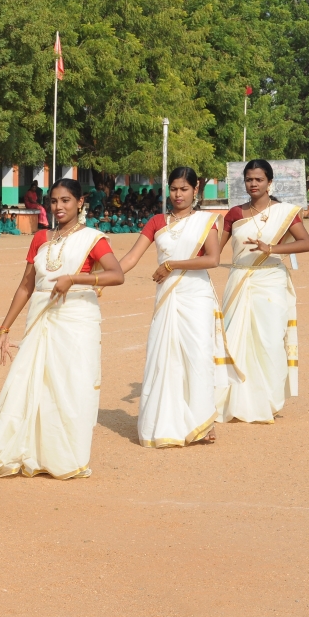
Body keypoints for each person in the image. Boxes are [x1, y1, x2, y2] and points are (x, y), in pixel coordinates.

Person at [0, 178, 125, 479]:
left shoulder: (92, 239)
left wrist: (75, 279)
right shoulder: (41, 238)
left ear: (80, 202)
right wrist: (5, 326)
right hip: (41, 317)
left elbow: (116, 274)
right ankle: (32, 451)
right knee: (35, 382)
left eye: (66, 201)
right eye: (54, 201)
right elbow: (26, 285)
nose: (59, 207)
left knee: (71, 385)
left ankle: (65, 457)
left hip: (76, 318)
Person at [119, 167, 239, 447]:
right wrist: (100, 278)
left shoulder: (206, 221)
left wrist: (172, 264)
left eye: (184, 189)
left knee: (197, 357)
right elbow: (132, 257)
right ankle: (164, 423)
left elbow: (212, 259)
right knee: (165, 358)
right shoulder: (156, 221)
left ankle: (202, 423)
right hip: (168, 299)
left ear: (195, 190)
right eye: (173, 189)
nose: (178, 194)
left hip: (195, 296)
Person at [216, 159, 309, 424]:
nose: (253, 184)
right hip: (239, 282)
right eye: (249, 179)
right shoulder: (235, 214)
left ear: (270, 182)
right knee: (235, 341)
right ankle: (235, 401)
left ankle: (267, 402)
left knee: (269, 342)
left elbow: (306, 243)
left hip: (271, 281)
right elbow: (213, 251)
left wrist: (272, 249)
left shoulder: (285, 213)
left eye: (258, 179)